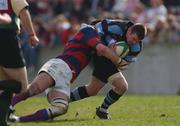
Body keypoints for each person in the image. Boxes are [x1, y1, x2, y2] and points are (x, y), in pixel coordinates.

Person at [9, 20, 123, 122]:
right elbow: (102, 49)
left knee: (61, 108)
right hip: (60, 66)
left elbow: (100, 52)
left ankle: (18, 120)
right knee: (35, 88)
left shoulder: (93, 40)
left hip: (66, 78)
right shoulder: (88, 30)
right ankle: (6, 106)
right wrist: (119, 60)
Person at [70, 19, 147, 119]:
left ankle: (63, 100)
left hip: (106, 59)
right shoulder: (118, 27)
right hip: (95, 46)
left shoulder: (136, 47)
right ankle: (102, 110)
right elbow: (98, 28)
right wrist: (109, 43)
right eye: (133, 39)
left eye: (137, 41)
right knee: (122, 86)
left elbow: (123, 64)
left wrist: (117, 59)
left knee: (92, 90)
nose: (133, 42)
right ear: (129, 30)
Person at [0, 0, 39, 125]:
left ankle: (2, 121)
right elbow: (23, 11)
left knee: (6, 84)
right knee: (21, 87)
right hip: (5, 37)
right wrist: (32, 34)